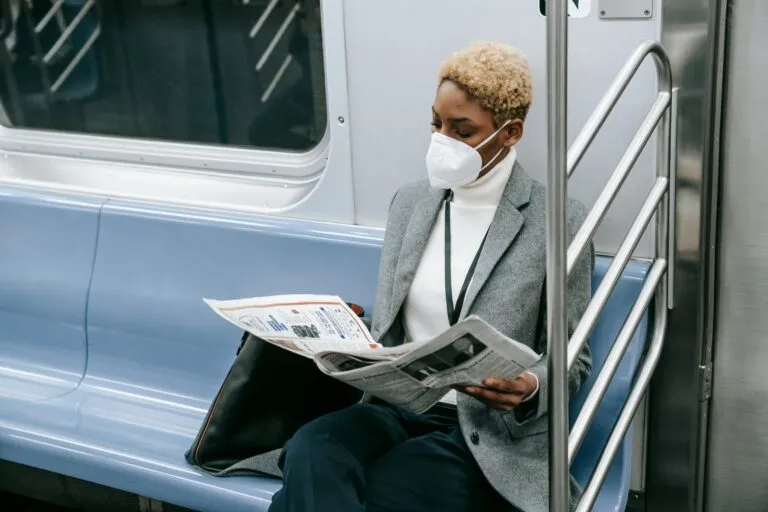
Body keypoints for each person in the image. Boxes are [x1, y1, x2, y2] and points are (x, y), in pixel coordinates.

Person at [268, 41, 593, 512]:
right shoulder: (410, 204)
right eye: (436, 124)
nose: (442, 140)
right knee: (311, 449)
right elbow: (391, 331)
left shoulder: (556, 220)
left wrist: (530, 385)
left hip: (483, 430)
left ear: (509, 133)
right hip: (398, 407)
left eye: (462, 130)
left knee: (380, 492)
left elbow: (573, 358)